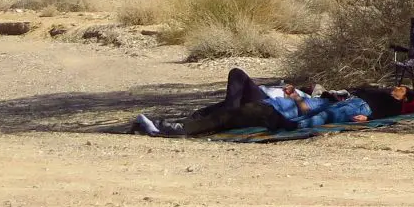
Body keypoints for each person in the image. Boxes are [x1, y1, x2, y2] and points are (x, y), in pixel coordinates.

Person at [134, 68, 373, 137]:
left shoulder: (345, 107)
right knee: (228, 107)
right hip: (271, 103)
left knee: (232, 102)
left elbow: (306, 112)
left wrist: (296, 99)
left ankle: (172, 129)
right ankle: (170, 126)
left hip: (272, 108)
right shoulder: (324, 101)